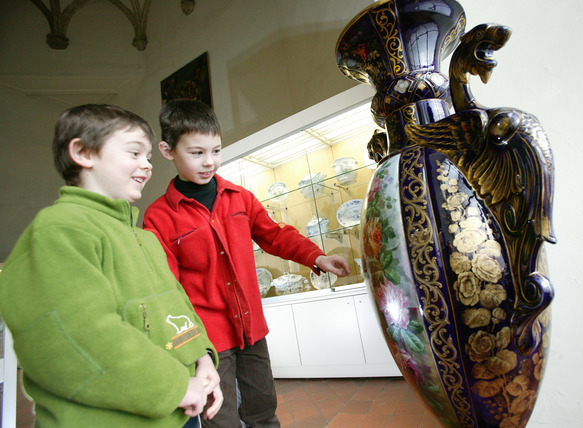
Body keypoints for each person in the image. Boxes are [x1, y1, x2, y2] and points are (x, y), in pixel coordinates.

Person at [0, 104, 223, 428]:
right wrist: (173, 386)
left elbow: (177, 307)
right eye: (134, 153)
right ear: (84, 152)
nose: (146, 166)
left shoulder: (144, 238)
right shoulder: (59, 229)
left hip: (179, 409)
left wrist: (203, 359)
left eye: (148, 156)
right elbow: (75, 336)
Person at [143, 99, 351, 428]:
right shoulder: (158, 217)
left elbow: (275, 235)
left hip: (251, 329)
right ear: (168, 151)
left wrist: (317, 256)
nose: (209, 162)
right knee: (220, 421)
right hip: (208, 342)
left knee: (263, 411)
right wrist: (189, 349)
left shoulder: (239, 197)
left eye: (216, 150)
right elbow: (166, 289)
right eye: (197, 153)